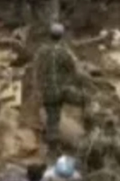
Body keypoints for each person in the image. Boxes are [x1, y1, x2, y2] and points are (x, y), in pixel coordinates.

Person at [34, 23, 90, 153]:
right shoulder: (65, 52)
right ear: (62, 36)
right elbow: (76, 72)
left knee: (52, 120)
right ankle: (88, 130)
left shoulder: (41, 52)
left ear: (49, 36)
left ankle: (52, 149)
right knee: (86, 100)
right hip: (63, 91)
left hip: (47, 93)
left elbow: (36, 71)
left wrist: (38, 90)